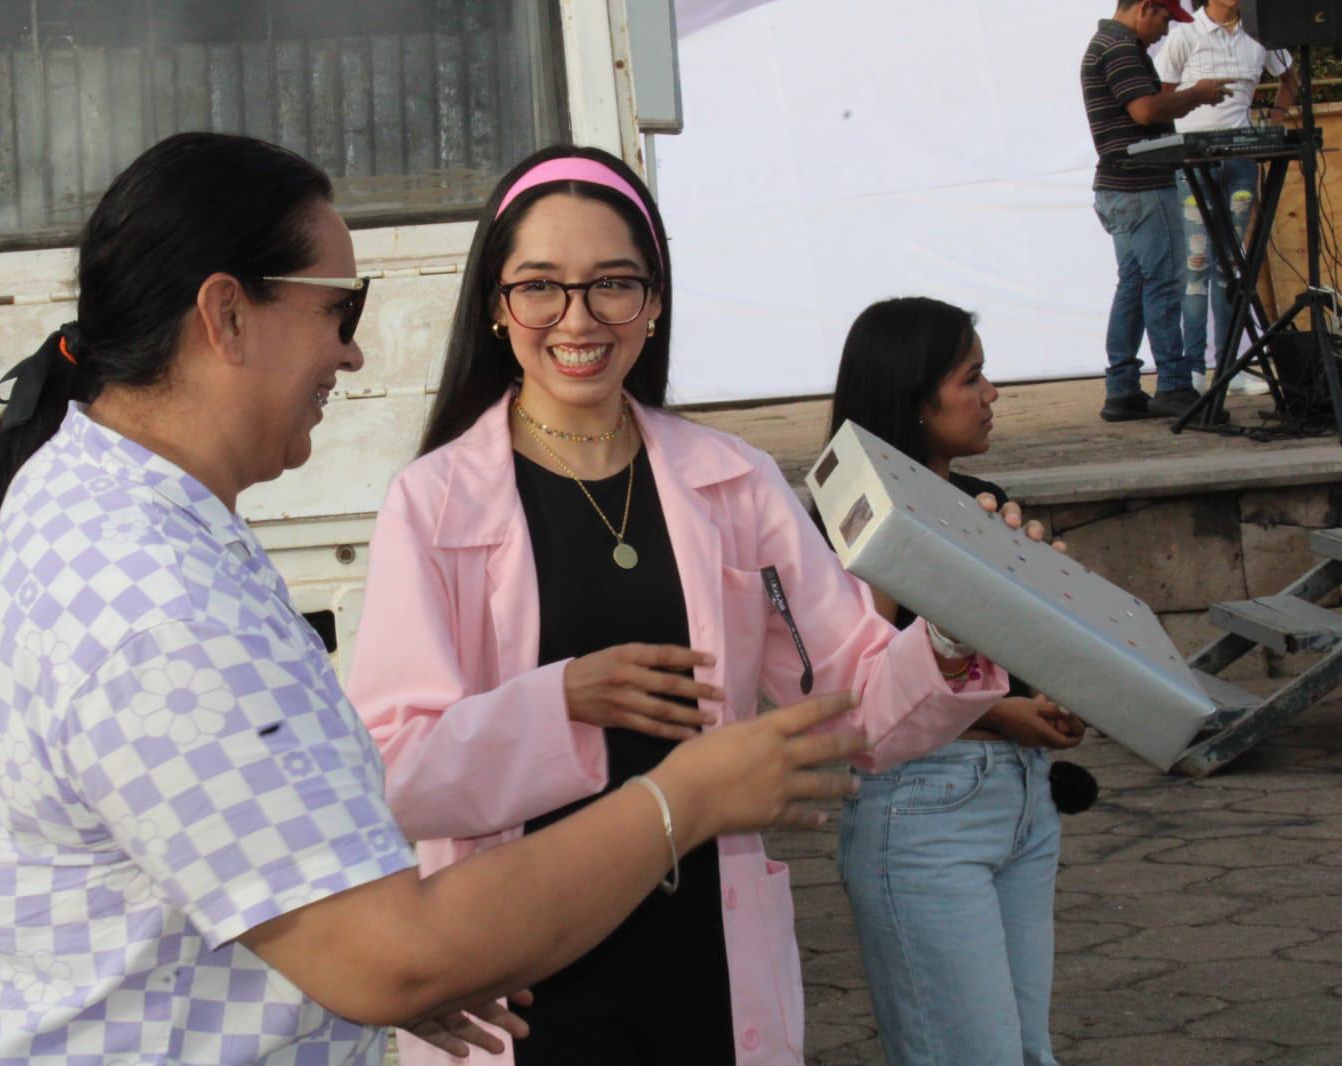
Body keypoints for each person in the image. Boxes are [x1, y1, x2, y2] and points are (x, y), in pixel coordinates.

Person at [0, 132, 874, 1065]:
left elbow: (267, 858)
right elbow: (393, 940)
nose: (351, 353)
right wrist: (686, 795)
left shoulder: (120, 504)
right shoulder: (160, 609)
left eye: (614, 283)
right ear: (225, 315)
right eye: (338, 310)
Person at [347, 146, 1048, 1066]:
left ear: (655, 301)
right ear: (493, 304)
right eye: (539, 287)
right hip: (521, 973)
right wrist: (562, 701)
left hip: (702, 962)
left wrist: (961, 620)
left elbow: (853, 711)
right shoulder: (434, 502)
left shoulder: (733, 481)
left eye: (612, 284)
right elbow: (395, 774)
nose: (577, 317)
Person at [826, 298, 1087, 1066]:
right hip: (921, 808)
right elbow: (854, 697)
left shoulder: (984, 501)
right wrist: (1001, 717)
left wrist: (1066, 689)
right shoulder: (848, 514)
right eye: (971, 376)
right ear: (912, 394)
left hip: (1022, 803)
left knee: (1025, 1052)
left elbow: (1022, 651)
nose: (992, 394)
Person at [1082, 0, 1236, 422]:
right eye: (1166, 18)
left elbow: (1141, 112)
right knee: (1164, 284)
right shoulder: (1121, 47)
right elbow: (1145, 110)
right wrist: (1195, 95)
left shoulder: (1105, 43)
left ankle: (1123, 389)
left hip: (1117, 186)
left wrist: (1183, 102)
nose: (1167, 31)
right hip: (1143, 186)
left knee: (1133, 286)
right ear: (1146, 7)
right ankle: (1172, 384)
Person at [1156, 0, 1299, 397]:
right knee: (1196, 264)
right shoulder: (1185, 34)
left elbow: (1292, 79)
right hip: (1193, 163)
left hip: (1239, 161)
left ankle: (1229, 365)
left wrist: (1274, 123)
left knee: (1232, 265)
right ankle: (1194, 368)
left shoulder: (1259, 33)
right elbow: (1162, 100)